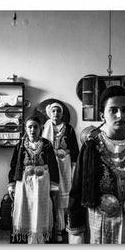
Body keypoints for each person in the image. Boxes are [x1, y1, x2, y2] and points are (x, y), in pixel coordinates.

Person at [67, 86, 125, 244]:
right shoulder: (91, 148)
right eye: (113, 110)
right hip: (100, 223)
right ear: (102, 115)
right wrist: (77, 230)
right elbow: (77, 191)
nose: (120, 115)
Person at [8, 116, 60, 244]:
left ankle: (40, 237)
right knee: (25, 208)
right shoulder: (20, 144)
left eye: (35, 127)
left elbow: (53, 165)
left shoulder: (46, 144)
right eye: (30, 127)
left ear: (40, 128)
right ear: (25, 129)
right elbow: (14, 165)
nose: (32, 130)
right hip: (24, 183)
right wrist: (11, 184)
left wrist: (54, 185)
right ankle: (26, 237)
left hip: (42, 182)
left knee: (40, 208)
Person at [42, 102, 79, 242]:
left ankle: (63, 228)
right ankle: (52, 227)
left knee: (64, 192)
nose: (56, 113)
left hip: (65, 164)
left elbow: (74, 148)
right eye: (53, 111)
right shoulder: (45, 128)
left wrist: (75, 167)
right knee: (52, 192)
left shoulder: (68, 129)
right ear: (49, 113)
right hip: (50, 164)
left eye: (58, 111)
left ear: (62, 113)